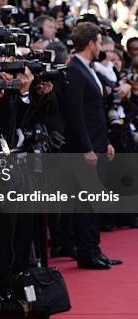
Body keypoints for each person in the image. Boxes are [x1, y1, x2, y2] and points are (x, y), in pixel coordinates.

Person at [61, 22, 120, 270]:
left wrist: (104, 142)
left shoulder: (88, 68)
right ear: (91, 44)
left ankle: (95, 250)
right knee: (84, 204)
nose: (102, 48)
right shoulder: (74, 70)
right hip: (83, 149)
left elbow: (95, 112)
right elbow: (75, 115)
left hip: (96, 144)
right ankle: (87, 254)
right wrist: (86, 147)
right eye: (99, 41)